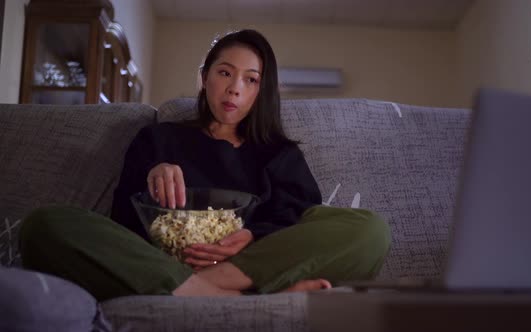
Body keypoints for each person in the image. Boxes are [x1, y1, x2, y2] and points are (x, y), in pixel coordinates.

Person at [19, 29, 391, 301]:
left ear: (263, 91)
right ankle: (235, 297)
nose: (234, 89)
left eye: (251, 80)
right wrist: (151, 176)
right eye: (225, 73)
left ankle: (215, 287)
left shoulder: (279, 154)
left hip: (248, 262)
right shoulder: (159, 139)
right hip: (157, 262)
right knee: (45, 224)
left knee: (370, 230)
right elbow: (123, 222)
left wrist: (252, 235)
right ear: (206, 77)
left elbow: (299, 217)